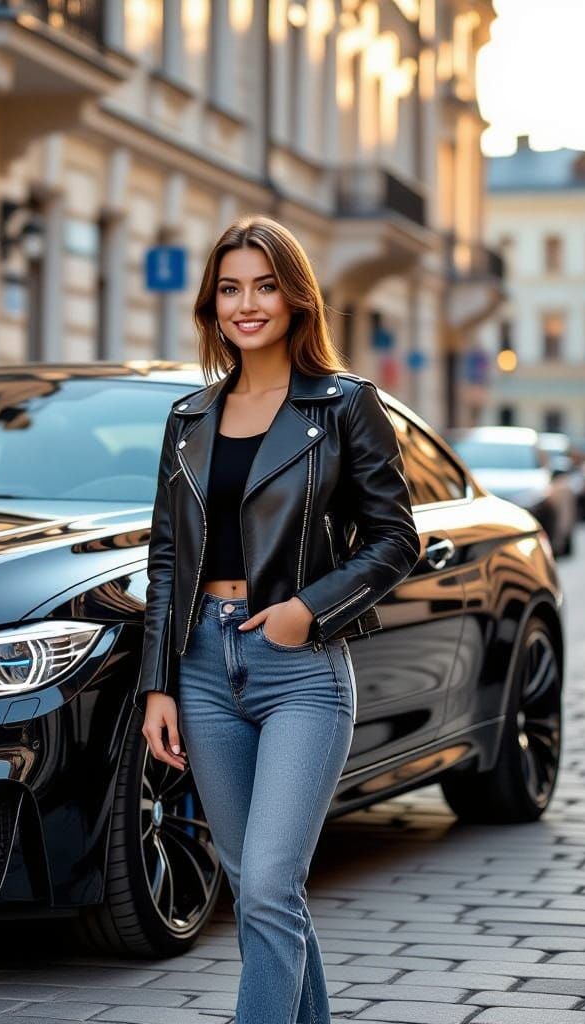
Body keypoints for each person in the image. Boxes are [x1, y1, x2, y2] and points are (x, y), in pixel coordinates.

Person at [134, 215, 420, 1024]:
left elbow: (396, 539)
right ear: (211, 304)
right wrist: (159, 687)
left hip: (300, 670)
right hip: (200, 670)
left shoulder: (345, 407)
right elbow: (166, 560)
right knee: (263, 892)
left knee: (265, 883)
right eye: (230, 288)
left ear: (296, 299)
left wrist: (307, 609)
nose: (246, 304)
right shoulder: (188, 419)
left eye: (264, 286)